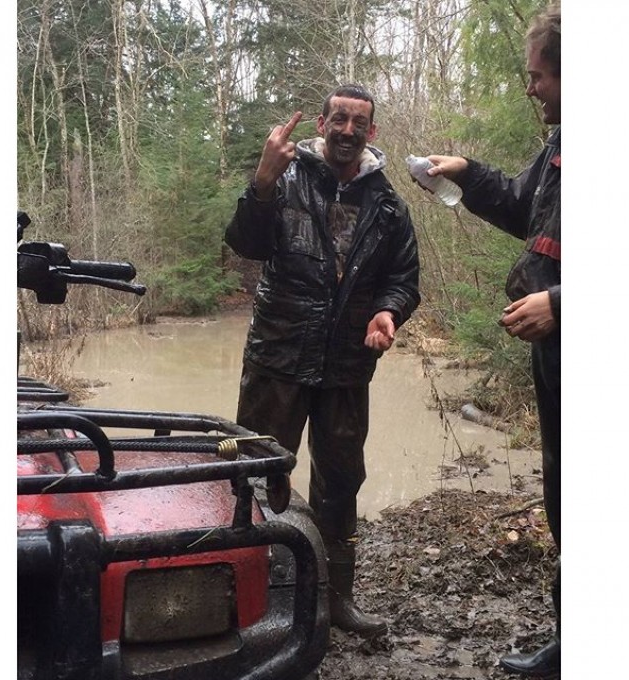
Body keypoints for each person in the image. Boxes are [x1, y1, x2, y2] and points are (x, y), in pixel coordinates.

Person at [225, 84, 420, 637]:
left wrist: (388, 311)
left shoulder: (388, 205)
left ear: (372, 132)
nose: (348, 130)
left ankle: (336, 601)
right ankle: (253, 599)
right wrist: (261, 179)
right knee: (259, 477)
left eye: (360, 122)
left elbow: (403, 280)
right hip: (279, 357)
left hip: (346, 367)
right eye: (340, 119)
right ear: (323, 122)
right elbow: (245, 244)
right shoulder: (284, 179)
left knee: (340, 482)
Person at [421, 4, 561, 677]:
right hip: (558, 357)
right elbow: (516, 202)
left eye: (538, 76)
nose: (530, 88)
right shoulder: (565, 147)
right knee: (568, 492)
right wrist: (466, 172)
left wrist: (565, 303)